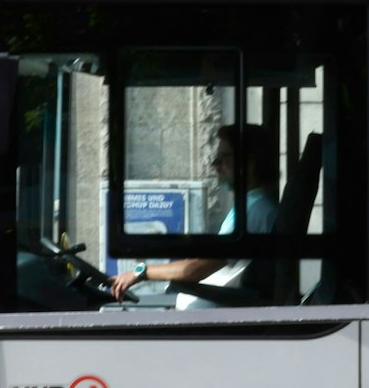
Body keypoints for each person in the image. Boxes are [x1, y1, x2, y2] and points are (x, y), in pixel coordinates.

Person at [110, 125, 277, 299]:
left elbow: (196, 269)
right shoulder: (253, 205)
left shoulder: (254, 210)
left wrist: (141, 272)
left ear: (249, 161)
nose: (215, 165)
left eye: (223, 157)